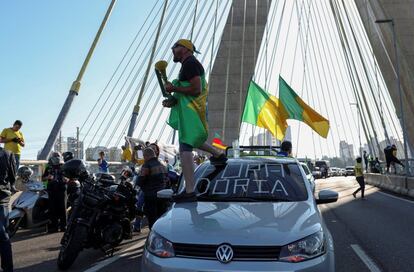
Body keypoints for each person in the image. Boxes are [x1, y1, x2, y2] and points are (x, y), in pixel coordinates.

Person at [162, 39, 226, 202]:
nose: (172, 49)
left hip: (193, 111)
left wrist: (174, 88)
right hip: (191, 111)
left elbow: (196, 90)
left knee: (185, 145)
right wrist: (173, 100)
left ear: (185, 49)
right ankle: (218, 154)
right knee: (192, 139)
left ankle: (190, 190)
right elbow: (187, 92)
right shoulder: (188, 65)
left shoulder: (190, 64)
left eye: (175, 46)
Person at [136, 148, 167, 229]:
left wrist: (138, 182)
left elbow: (141, 180)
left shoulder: (147, 165)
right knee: (161, 217)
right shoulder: (163, 164)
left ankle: (153, 236)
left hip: (151, 195)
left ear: (147, 155)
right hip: (162, 195)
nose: (144, 158)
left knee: (152, 219)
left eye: (144, 156)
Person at [0, 147, 16, 271]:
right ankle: (8, 268)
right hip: (2, 196)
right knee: (3, 234)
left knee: (3, 235)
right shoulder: (8, 154)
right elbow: (12, 176)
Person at [43, 152, 67, 232]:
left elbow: (69, 177)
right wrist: (48, 177)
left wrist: (66, 179)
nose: (56, 158)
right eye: (54, 156)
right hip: (51, 189)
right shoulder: (49, 167)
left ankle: (64, 226)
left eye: (57, 156)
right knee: (52, 209)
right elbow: (43, 178)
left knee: (62, 208)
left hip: (61, 188)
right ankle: (53, 227)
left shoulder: (64, 166)